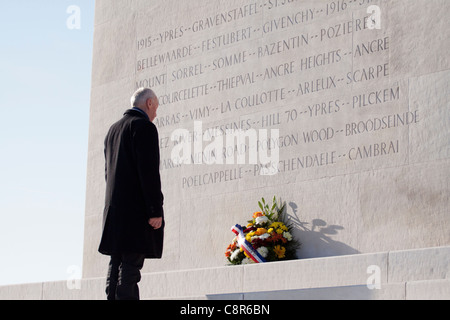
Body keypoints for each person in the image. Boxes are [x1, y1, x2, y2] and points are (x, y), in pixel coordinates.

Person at [98, 88, 164, 300]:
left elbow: (109, 174)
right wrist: (154, 209)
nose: (156, 114)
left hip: (115, 212)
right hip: (135, 212)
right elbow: (149, 172)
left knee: (115, 263)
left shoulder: (113, 130)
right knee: (130, 268)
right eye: (156, 107)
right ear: (150, 103)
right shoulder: (144, 127)